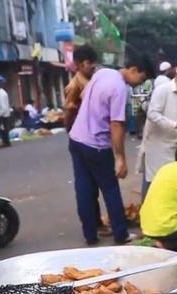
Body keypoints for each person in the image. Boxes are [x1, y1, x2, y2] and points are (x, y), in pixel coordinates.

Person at [68, 54, 155, 246]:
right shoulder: (119, 89)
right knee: (110, 189)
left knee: (84, 187)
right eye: (141, 79)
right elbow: (117, 125)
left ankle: (90, 234)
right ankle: (121, 234)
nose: (138, 84)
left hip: (76, 138)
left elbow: (83, 96)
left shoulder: (103, 73)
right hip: (96, 145)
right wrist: (120, 158)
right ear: (134, 70)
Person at [63, 44, 111, 237]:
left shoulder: (91, 81)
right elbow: (68, 112)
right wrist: (71, 132)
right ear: (82, 64)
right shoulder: (75, 85)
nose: (94, 68)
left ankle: (94, 227)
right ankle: (93, 227)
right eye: (91, 65)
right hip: (85, 140)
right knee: (89, 187)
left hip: (85, 138)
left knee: (89, 186)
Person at [141, 62, 177, 200]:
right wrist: (175, 125)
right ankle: (147, 214)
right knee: (154, 180)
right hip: (158, 146)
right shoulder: (162, 90)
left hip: (176, 145)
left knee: (172, 181)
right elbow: (152, 114)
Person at [64, 44, 98, 131]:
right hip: (84, 132)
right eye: (89, 63)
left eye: (94, 62)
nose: (94, 66)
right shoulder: (74, 86)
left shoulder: (94, 79)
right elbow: (69, 113)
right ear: (78, 64)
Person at [0, 83, 12, 147]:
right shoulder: (2, 92)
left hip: (3, 115)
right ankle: (6, 142)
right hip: (3, 114)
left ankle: (6, 142)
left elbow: (3, 106)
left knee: (3, 129)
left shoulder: (1, 94)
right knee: (3, 129)